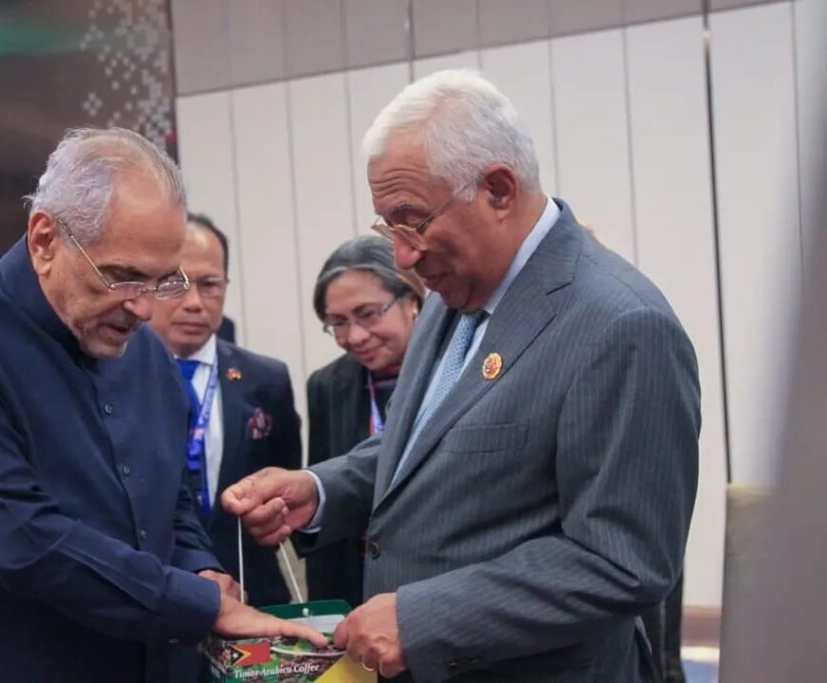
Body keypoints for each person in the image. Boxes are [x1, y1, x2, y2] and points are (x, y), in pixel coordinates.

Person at [223, 69, 699, 682]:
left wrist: (422, 619)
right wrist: (322, 489)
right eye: (388, 227)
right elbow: (432, 448)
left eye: (413, 220)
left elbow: (623, 561)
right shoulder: (455, 295)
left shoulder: (620, 325)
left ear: (498, 190)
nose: (402, 255)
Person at [0, 127, 323, 683]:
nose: (144, 308)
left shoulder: (147, 355)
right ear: (45, 240)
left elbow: (172, 500)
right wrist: (196, 604)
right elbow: (24, 539)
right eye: (123, 277)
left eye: (162, 280)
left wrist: (200, 570)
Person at [149, 212, 302, 607]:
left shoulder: (266, 379)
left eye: (210, 285)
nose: (194, 303)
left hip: (252, 591)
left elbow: (283, 479)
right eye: (176, 283)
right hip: (154, 595)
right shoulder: (111, 376)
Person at [305, 236, 425, 608]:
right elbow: (323, 503)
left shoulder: (454, 371)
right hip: (358, 584)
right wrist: (326, 611)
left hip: (438, 584)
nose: (354, 336)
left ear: (412, 301)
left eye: (368, 314)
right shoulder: (328, 385)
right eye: (338, 322)